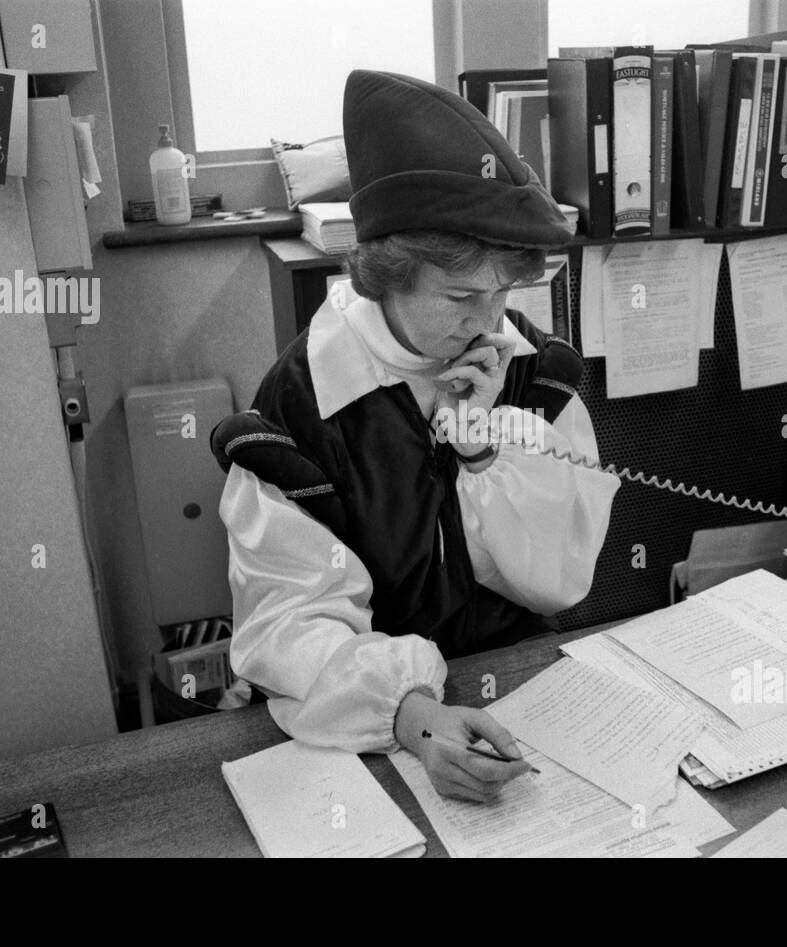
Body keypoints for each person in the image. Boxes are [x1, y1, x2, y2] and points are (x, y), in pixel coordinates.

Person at [211, 70, 619, 803]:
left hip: (528, 698)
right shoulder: (298, 416)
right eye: (462, 296)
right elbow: (289, 624)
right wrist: (415, 717)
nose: (490, 322)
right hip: (370, 731)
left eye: (503, 293)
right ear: (385, 276)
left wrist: (485, 446)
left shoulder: (534, 376)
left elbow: (562, 579)